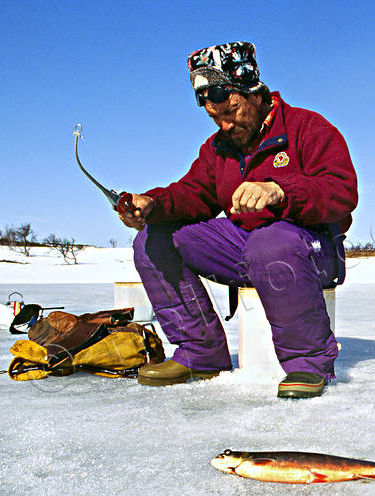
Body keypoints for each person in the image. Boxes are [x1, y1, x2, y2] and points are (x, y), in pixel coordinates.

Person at [118, 42, 358, 398]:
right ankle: (200, 352)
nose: (225, 124)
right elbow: (192, 194)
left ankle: (308, 363)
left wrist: (280, 190)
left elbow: (342, 192)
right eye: (215, 117)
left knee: (270, 242)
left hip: (312, 250)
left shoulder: (307, 127)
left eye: (231, 111)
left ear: (254, 92)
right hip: (247, 248)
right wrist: (152, 204)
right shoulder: (218, 148)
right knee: (153, 239)